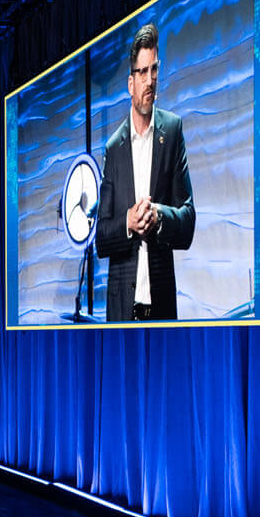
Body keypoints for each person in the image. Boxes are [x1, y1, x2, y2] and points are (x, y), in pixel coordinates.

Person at [97, 22, 196, 322]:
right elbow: (101, 237)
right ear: (130, 82)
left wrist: (159, 217)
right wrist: (128, 222)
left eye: (154, 70)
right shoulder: (114, 147)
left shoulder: (173, 131)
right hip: (122, 308)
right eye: (142, 72)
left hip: (161, 303)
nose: (150, 80)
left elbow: (189, 220)